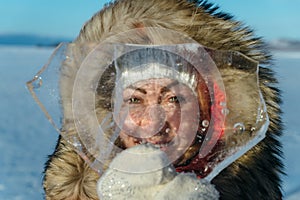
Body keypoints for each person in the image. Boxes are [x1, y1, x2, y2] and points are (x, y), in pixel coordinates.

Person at [38, 0, 283, 199]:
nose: (153, 121)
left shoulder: (241, 187)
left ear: (210, 112)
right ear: (110, 111)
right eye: (134, 100)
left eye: (173, 99)